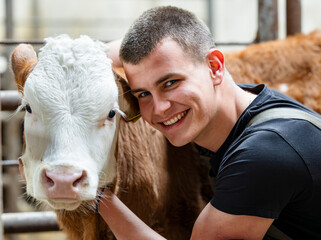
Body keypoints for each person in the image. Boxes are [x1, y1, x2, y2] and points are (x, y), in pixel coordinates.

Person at [98, 6, 321, 239]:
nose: (159, 108)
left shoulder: (263, 154)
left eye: (170, 83)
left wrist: (99, 197)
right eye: (143, 94)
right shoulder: (253, 104)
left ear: (215, 67)